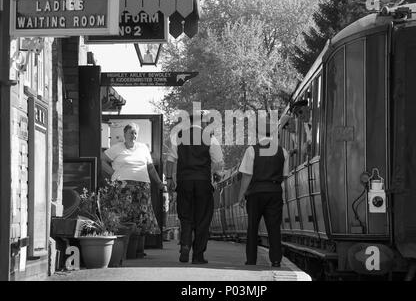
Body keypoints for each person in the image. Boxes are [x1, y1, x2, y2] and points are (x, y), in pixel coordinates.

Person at [166, 113, 224, 264]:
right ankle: (198, 255)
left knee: (185, 216)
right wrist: (218, 175)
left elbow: (170, 160)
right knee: (203, 219)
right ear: (203, 122)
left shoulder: (179, 136)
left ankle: (185, 244)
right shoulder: (210, 137)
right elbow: (218, 161)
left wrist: (170, 179)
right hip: (203, 183)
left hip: (184, 182)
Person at [238, 120, 289, 267]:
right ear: (273, 134)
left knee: (252, 226)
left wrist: (241, 195)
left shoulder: (251, 150)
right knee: (274, 227)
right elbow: (284, 176)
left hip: (255, 193)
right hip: (274, 192)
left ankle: (251, 259)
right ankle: (276, 259)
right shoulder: (283, 151)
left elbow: (247, 175)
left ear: (258, 134)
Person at [101, 122, 164, 235]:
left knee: (141, 218)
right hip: (122, 187)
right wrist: (114, 173)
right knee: (123, 216)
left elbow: (150, 167)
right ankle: (125, 247)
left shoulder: (143, 148)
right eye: (131, 133)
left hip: (142, 187)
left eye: (135, 133)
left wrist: (159, 182)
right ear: (125, 134)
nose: (133, 136)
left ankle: (139, 250)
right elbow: (101, 160)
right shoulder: (116, 148)